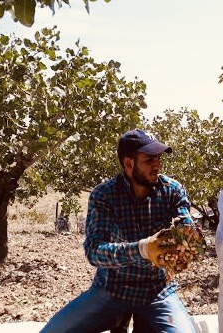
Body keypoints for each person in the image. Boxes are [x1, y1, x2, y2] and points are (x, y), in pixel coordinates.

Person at [40, 129, 196, 333]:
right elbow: (94, 251)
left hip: (157, 292)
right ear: (128, 163)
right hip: (112, 290)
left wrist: (187, 233)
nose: (157, 165)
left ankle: (140, 321)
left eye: (158, 158)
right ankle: (120, 318)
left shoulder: (172, 190)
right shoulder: (104, 195)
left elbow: (184, 221)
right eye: (149, 160)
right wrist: (142, 249)